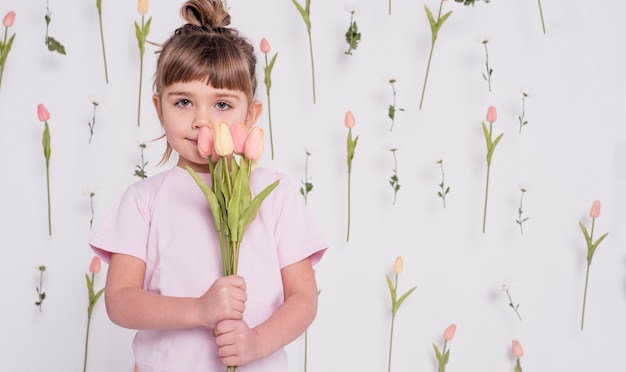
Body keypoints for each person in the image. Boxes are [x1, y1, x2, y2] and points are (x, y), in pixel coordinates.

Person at [89, 0, 328, 371]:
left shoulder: (275, 193)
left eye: (221, 104)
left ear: (251, 115)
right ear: (158, 108)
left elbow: (303, 298)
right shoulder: (143, 201)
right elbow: (120, 301)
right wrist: (199, 309)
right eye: (183, 101)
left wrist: (258, 341)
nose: (202, 121)